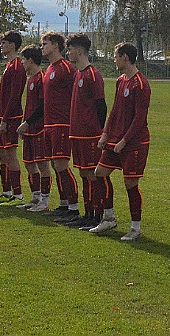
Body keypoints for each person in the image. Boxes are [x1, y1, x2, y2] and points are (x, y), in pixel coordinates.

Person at [90, 42, 151, 241]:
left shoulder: (141, 83)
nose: (114, 60)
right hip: (116, 139)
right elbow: (115, 110)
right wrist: (106, 134)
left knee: (130, 183)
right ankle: (109, 218)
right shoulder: (120, 81)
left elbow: (140, 118)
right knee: (100, 172)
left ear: (125, 57)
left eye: (116, 56)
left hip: (134, 142)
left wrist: (124, 141)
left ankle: (135, 228)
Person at [65, 33, 107, 229]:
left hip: (90, 135)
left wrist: (98, 131)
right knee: (83, 173)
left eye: (70, 49)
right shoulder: (78, 74)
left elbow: (101, 106)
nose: (68, 53)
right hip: (78, 134)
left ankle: (98, 215)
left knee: (92, 174)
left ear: (79, 50)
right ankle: (88, 213)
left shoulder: (92, 74)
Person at [40, 32, 80, 221]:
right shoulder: (49, 69)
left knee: (61, 165)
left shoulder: (66, 68)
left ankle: (74, 208)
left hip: (62, 124)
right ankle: (64, 204)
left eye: (45, 43)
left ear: (56, 45)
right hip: (49, 124)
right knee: (55, 166)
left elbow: (77, 95)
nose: (42, 47)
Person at [0, 30, 27, 205]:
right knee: (2, 153)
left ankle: (17, 194)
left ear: (12, 45)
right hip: (3, 116)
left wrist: (5, 119)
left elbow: (14, 96)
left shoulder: (18, 66)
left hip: (11, 117)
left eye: (4, 42)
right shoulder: (9, 65)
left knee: (10, 153)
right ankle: (6, 190)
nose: (1, 45)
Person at [16, 45, 52, 211]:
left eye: (23, 59)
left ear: (30, 60)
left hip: (39, 128)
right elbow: (29, 105)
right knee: (29, 163)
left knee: (42, 164)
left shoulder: (42, 78)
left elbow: (42, 106)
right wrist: (25, 125)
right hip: (29, 128)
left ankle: (45, 201)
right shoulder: (31, 79)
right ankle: (35, 197)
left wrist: (28, 123)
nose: (22, 62)